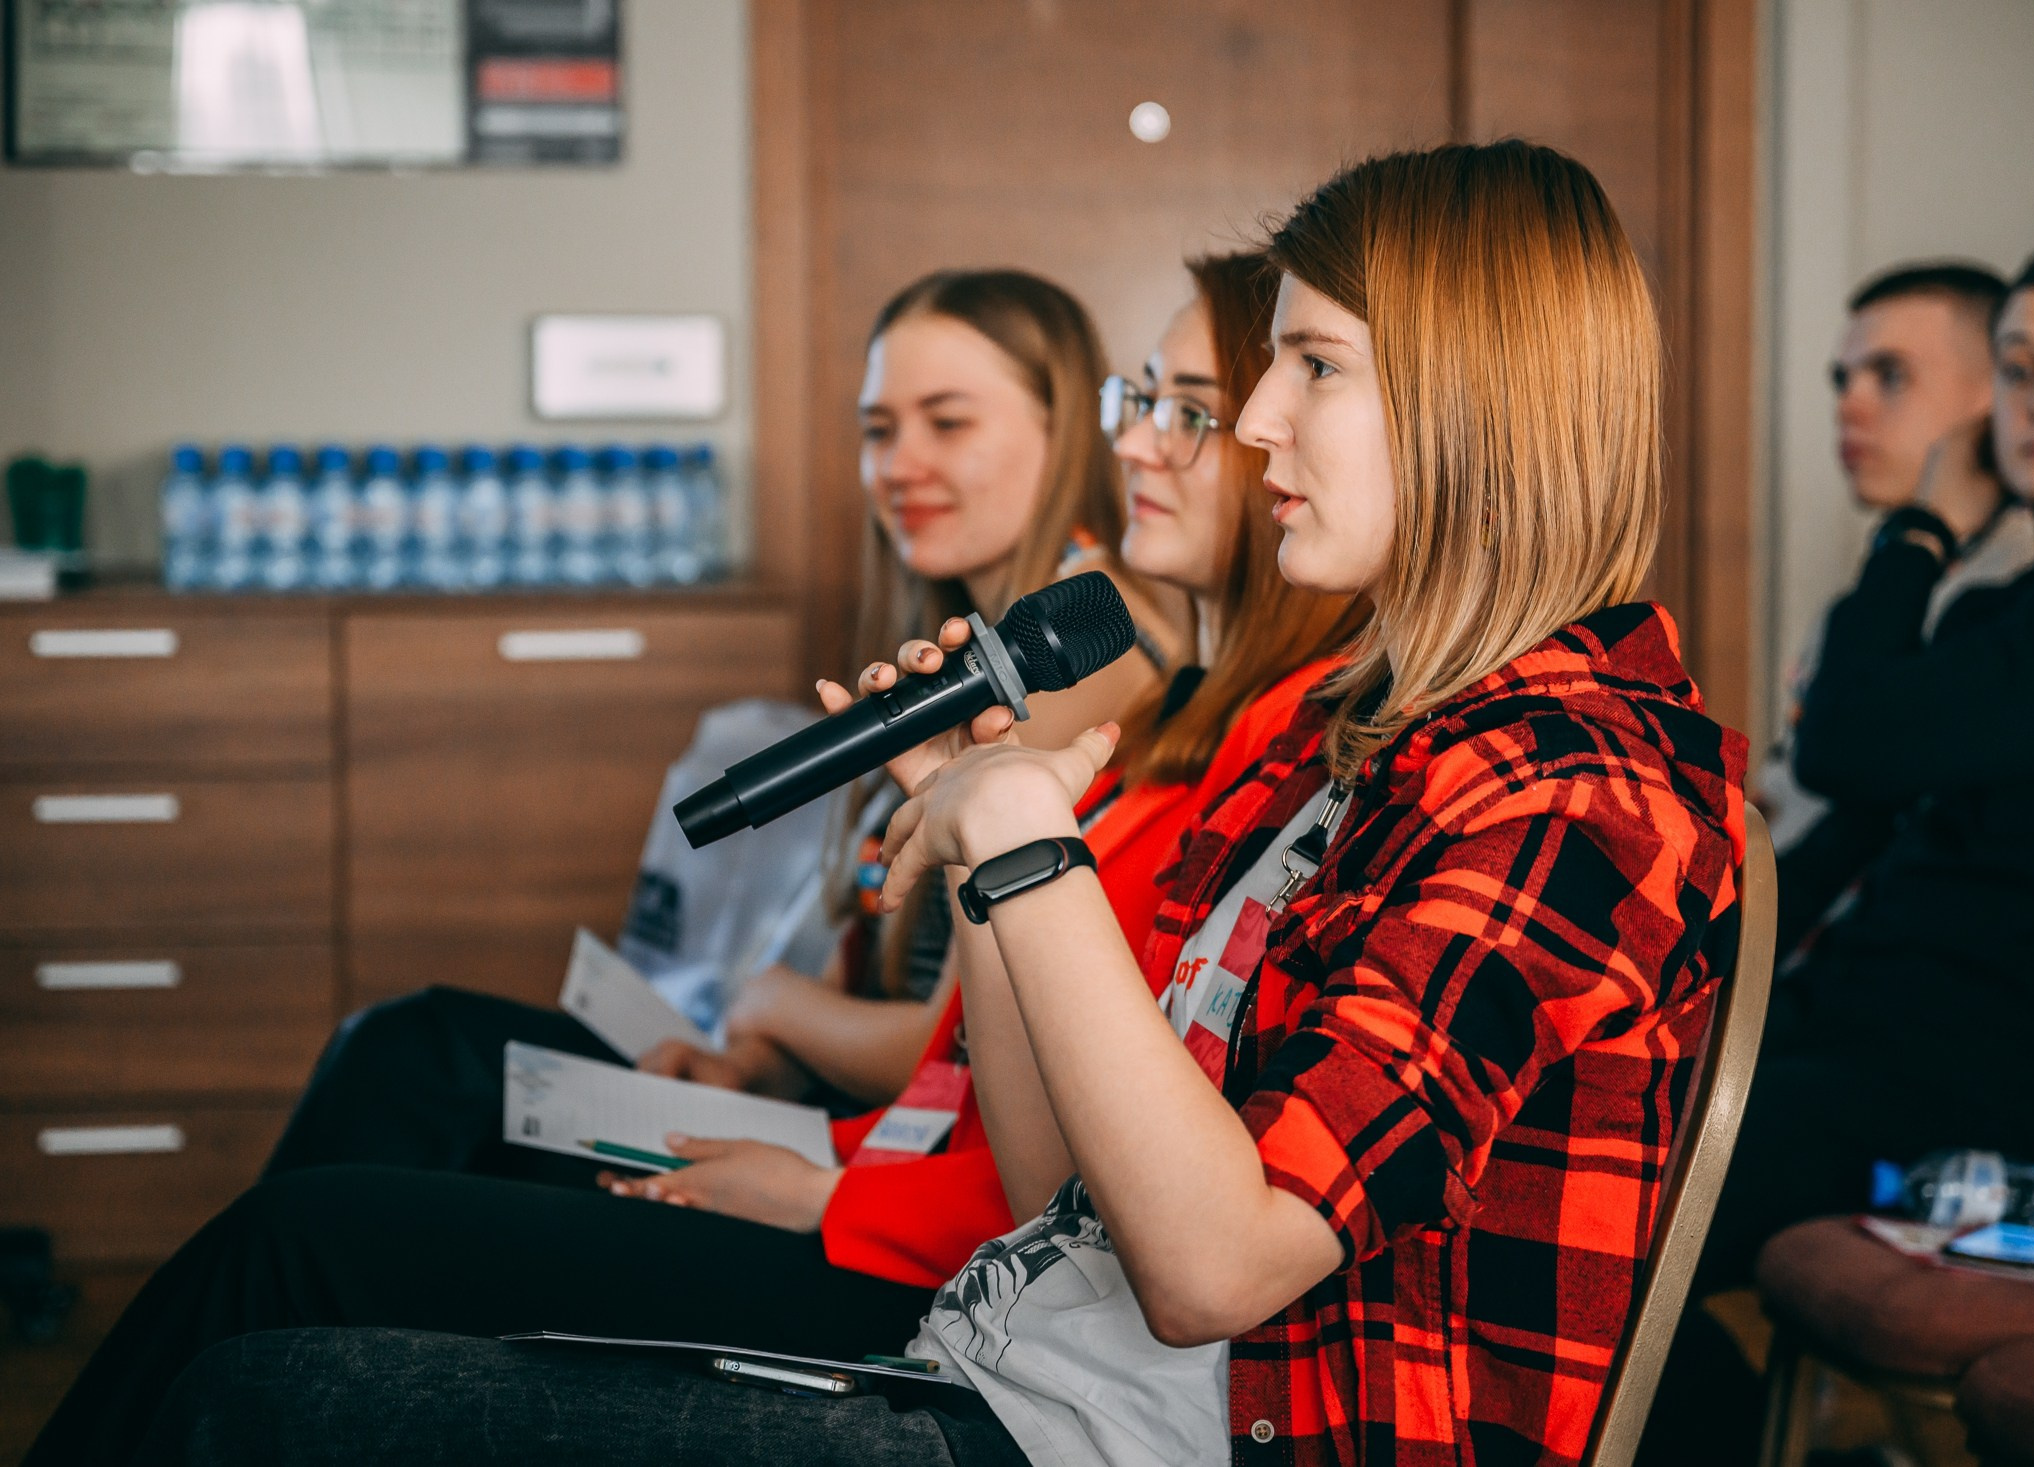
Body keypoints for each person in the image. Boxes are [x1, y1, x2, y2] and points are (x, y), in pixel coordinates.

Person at [121, 139, 1746, 1467]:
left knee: (266, 1394)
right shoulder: (1368, 739)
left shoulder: (1575, 781)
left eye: (1308, 366)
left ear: (1481, 401)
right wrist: (1005, 847)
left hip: (1097, 1424)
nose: (1253, 426)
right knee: (295, 1336)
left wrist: (1029, 844)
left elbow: (1214, 1265)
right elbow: (1061, 1195)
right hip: (997, 1365)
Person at [21, 253, 1364, 1466]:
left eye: (1199, 405)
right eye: (1157, 398)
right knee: (408, 1067)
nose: (1166, 439)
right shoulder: (1205, 717)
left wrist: (821, 1127)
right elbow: (1015, 1090)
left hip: (923, 1253)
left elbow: (1094, 1175)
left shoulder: (1188, 714)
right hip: (896, 1186)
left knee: (309, 1233)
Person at [258, 268, 1182, 1196]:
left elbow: (958, 1052)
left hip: (914, 1171)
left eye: (948, 423)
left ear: (1066, 431)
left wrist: (776, 1005)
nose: (899, 465)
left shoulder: (1073, 663)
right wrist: (755, 1065)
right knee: (407, 1056)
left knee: (412, 1078)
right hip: (838, 1103)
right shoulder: (963, 642)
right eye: (877, 430)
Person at [1640, 241, 2034, 1466]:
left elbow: (1846, 743)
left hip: (1983, 1123)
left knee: (1596, 1210)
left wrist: (1923, 527)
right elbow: (1857, 824)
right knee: (1564, 1146)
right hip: (1871, 1064)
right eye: (2020, 368)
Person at [1757, 263, 2034, 933]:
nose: (1848, 405)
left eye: (1890, 375)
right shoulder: (1884, 577)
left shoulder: (2016, 595)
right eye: (1841, 379)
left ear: (1996, 396)